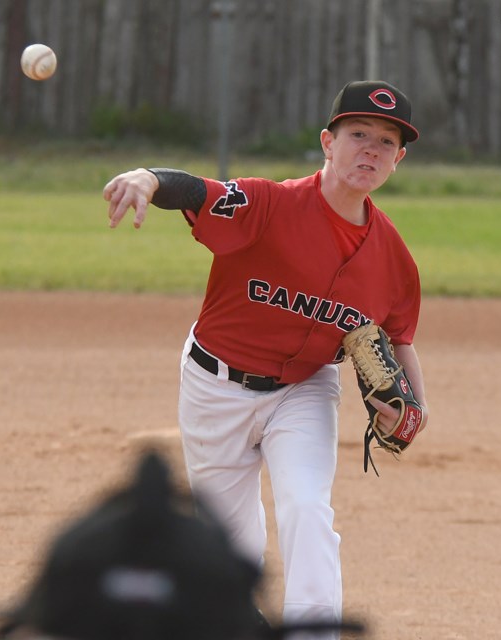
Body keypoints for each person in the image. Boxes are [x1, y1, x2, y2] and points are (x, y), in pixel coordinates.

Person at [101, 80, 429, 639]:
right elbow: (195, 191)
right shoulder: (267, 203)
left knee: (306, 508)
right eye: (358, 135)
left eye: (385, 142)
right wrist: (147, 178)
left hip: (304, 389)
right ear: (328, 142)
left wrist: (417, 406)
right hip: (215, 386)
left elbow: (399, 338)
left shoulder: (394, 259)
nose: (369, 150)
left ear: (398, 159)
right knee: (229, 546)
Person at [0, 451, 362, 639]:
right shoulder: (209, 566)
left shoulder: (78, 549)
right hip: (216, 384)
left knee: (306, 508)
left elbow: (32, 617)